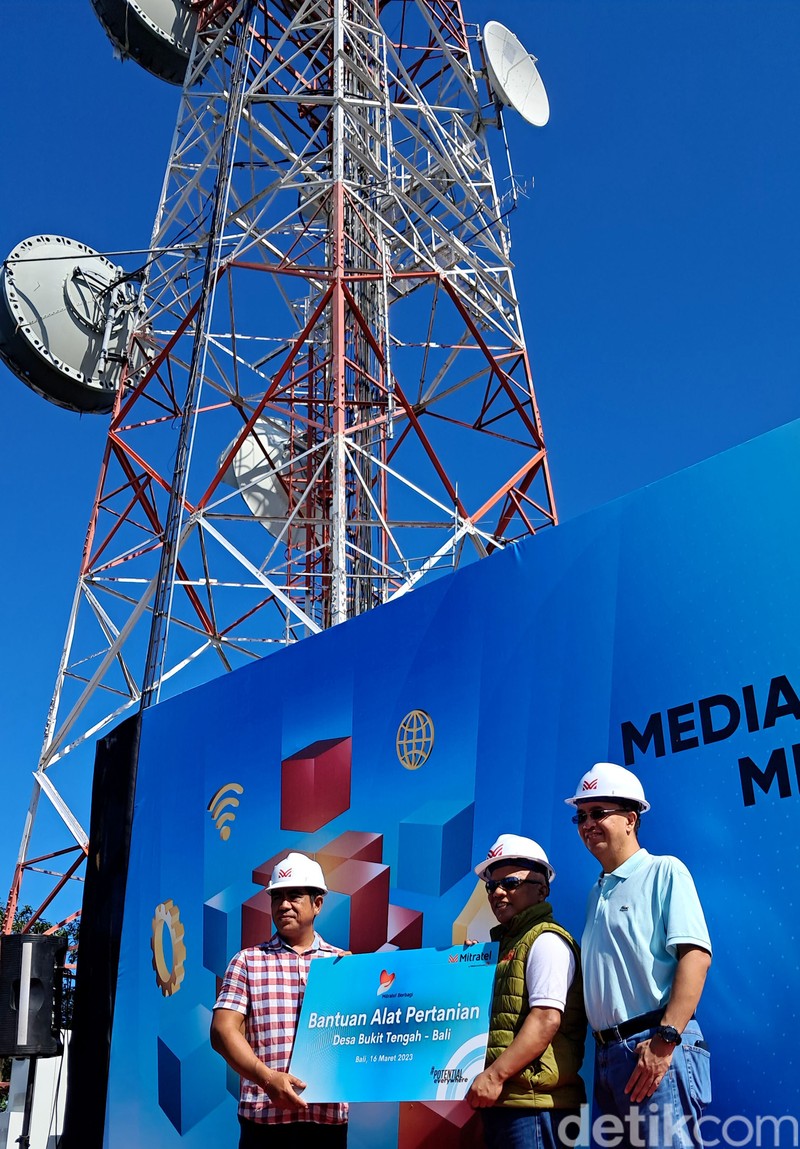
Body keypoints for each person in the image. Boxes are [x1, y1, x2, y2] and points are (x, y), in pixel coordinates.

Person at [565, 762, 712, 1148]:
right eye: (581, 815)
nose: (587, 823)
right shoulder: (596, 893)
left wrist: (666, 1040)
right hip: (609, 1056)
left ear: (631, 819)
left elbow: (695, 956)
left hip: (654, 1045)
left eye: (599, 813)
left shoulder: (664, 871)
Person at [210, 851, 348, 1147]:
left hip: (326, 1125)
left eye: (294, 896)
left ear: (318, 904)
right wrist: (268, 1079)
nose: (283, 905)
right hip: (264, 1127)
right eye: (277, 897)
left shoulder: (343, 965)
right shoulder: (247, 961)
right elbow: (222, 1031)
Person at [466, 833, 587, 1149]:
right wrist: (465, 968)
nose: (498, 893)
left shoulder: (546, 941)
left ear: (542, 890)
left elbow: (546, 1019)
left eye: (511, 883)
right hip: (510, 1104)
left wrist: (493, 1077)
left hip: (537, 1107)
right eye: (491, 886)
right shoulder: (509, 946)